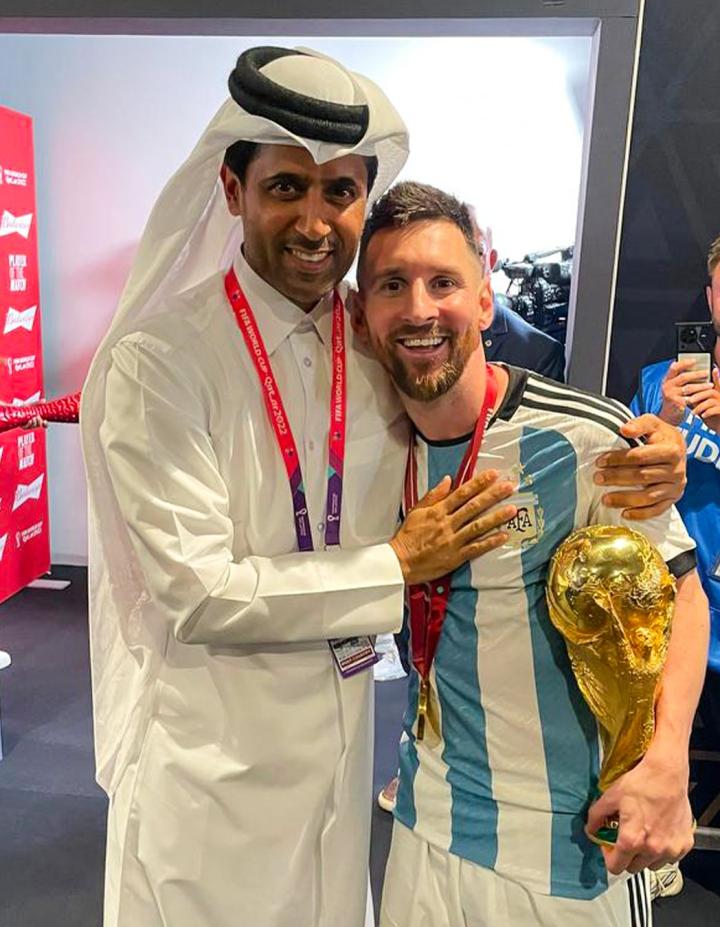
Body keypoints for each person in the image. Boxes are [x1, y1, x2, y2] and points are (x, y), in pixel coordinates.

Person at [81, 47, 690, 927]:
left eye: (339, 191)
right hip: (214, 767)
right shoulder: (163, 363)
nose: (314, 219)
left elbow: (495, 416)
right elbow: (198, 591)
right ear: (232, 189)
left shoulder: (372, 347)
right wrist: (396, 564)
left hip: (353, 767)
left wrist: (649, 448)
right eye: (286, 186)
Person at [351, 181, 708, 927]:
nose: (418, 308)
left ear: (485, 300)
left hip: (564, 855)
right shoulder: (364, 444)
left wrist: (670, 756)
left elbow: (682, 591)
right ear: (362, 313)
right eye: (392, 285)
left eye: (443, 282)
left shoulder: (585, 438)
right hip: (423, 826)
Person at [631, 232, 720, 898]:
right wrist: (663, 415)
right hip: (668, 592)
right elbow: (625, 479)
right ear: (711, 296)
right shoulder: (660, 378)